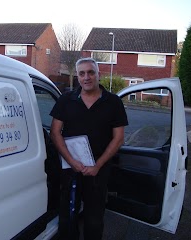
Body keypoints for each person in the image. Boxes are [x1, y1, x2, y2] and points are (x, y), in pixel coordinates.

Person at [49, 57, 128, 240]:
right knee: (68, 217)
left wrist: (97, 166)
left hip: (98, 172)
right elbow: (55, 133)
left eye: (91, 72)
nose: (87, 77)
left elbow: (118, 139)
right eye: (82, 73)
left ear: (98, 74)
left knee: (94, 220)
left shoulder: (113, 102)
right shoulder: (66, 100)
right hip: (71, 169)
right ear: (77, 76)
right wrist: (72, 162)